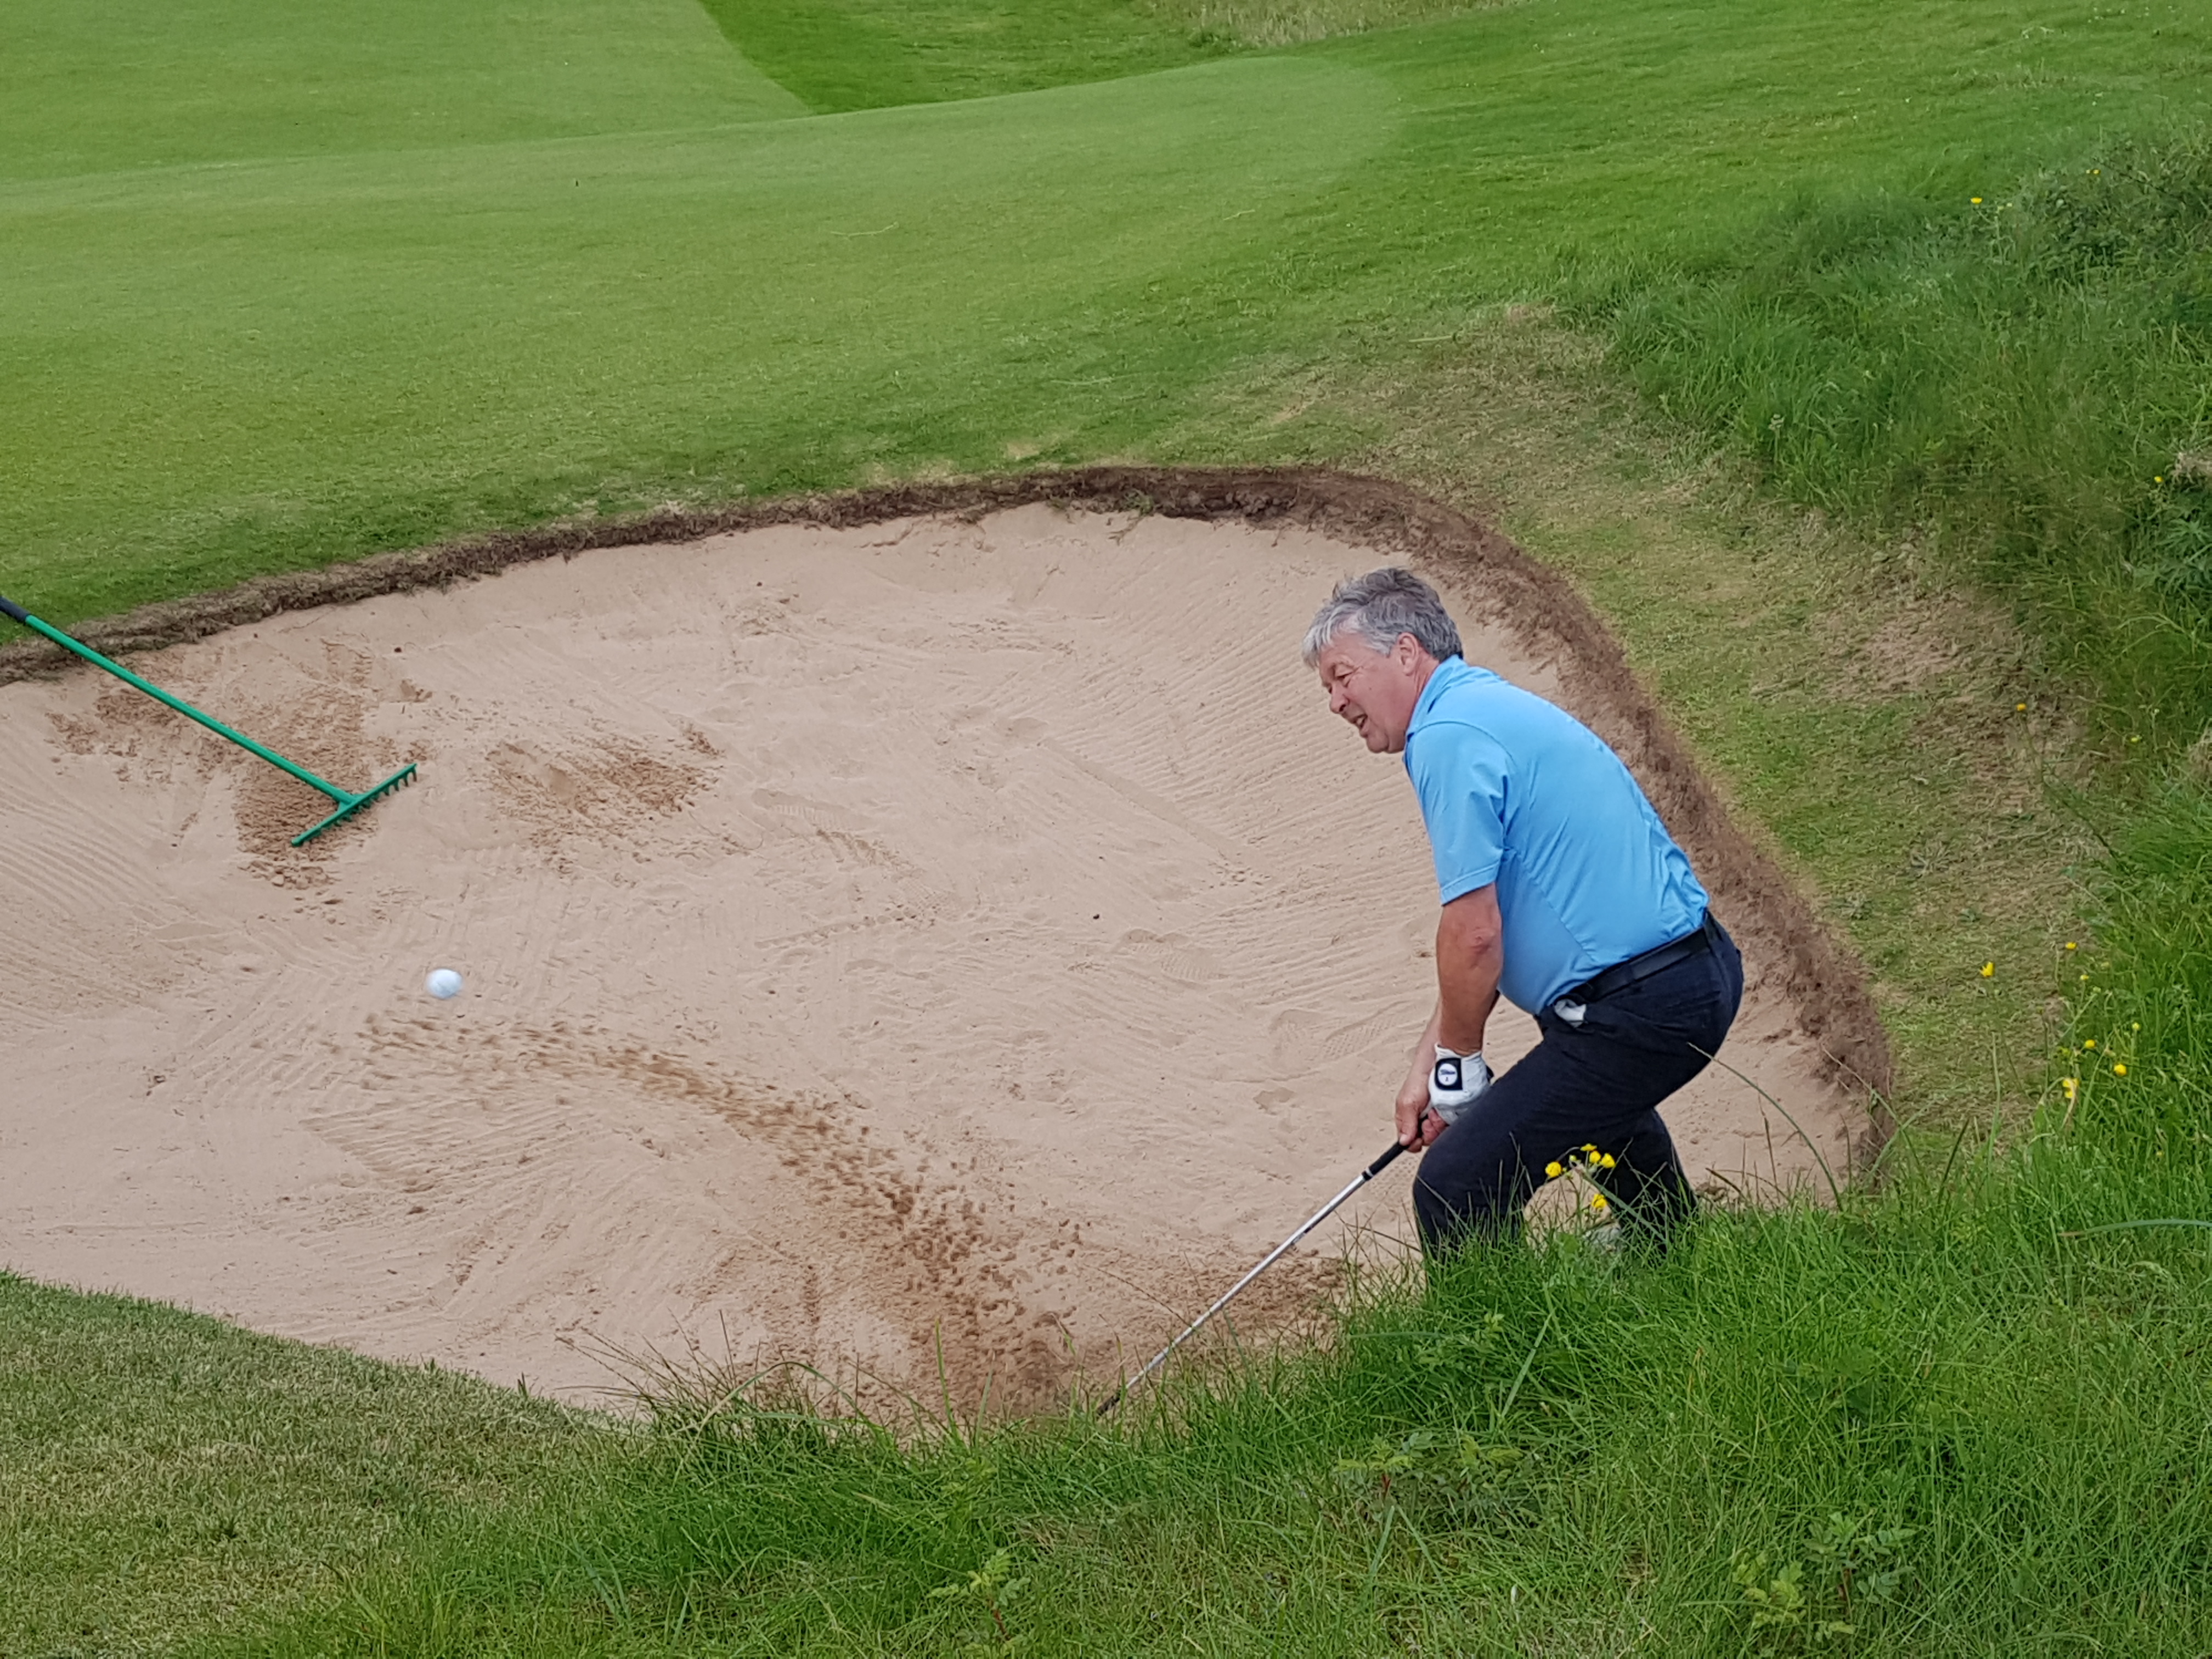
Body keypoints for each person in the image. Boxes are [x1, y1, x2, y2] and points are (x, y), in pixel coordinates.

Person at [1303, 567, 1742, 1253]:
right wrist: (1434, 1065)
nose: (1334, 701)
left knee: (1456, 1188)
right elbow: (1486, 930)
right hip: (1679, 980)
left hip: (1646, 1001)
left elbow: (1474, 934)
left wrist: (1461, 1066)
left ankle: (1491, 1357)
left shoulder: (1445, 735)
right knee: (1599, 1105)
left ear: (1407, 653)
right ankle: (1672, 1253)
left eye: (1342, 675)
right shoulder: (1477, 708)